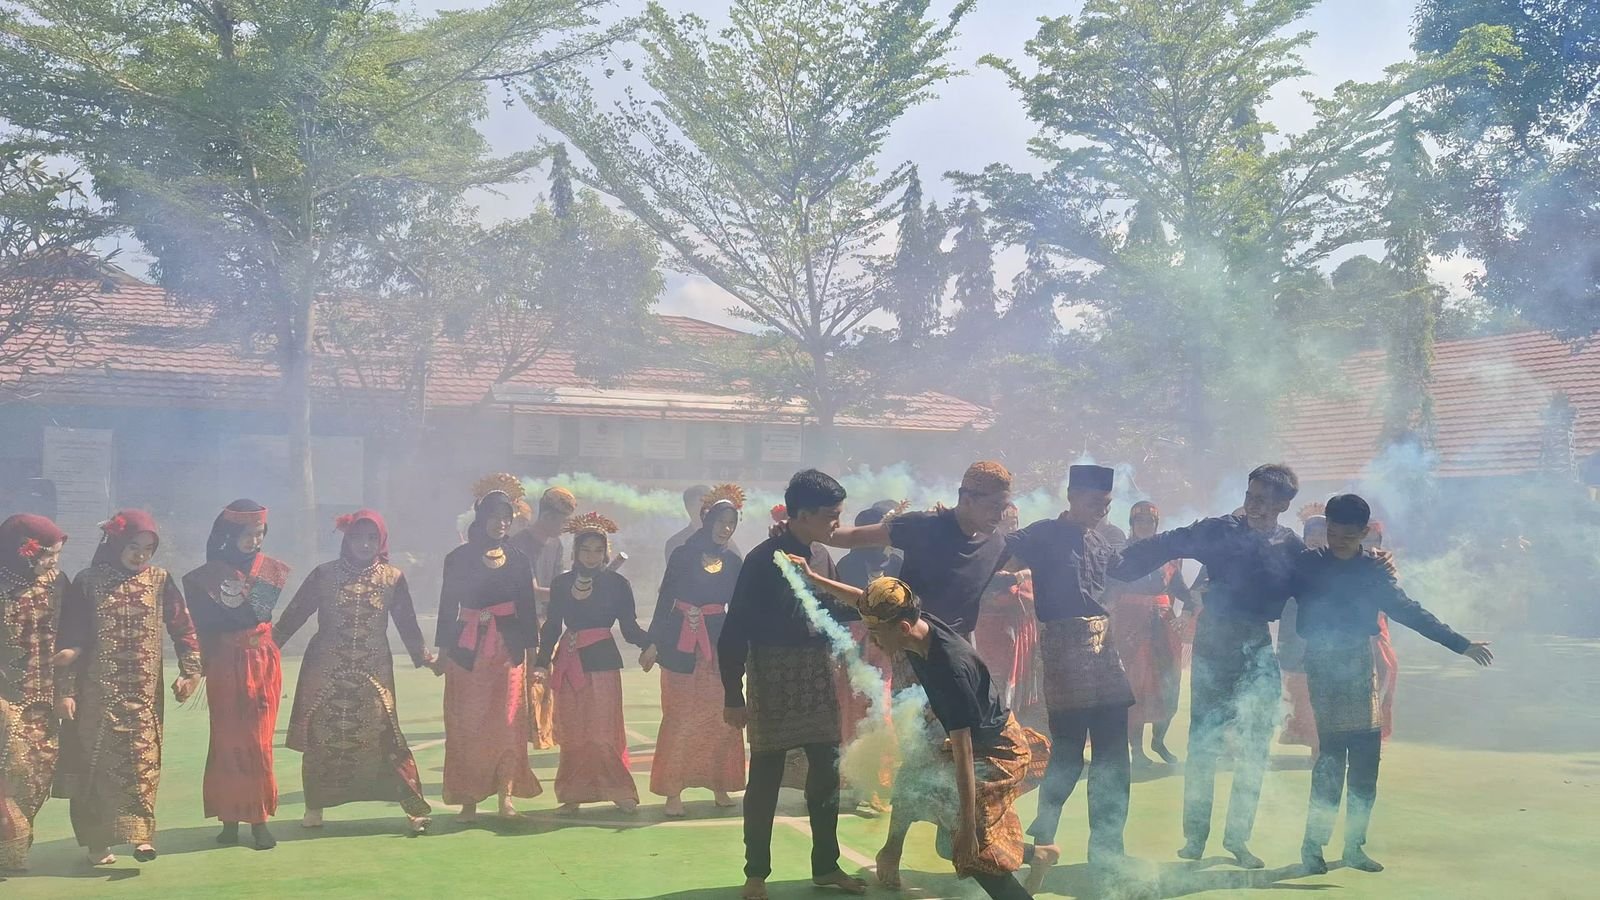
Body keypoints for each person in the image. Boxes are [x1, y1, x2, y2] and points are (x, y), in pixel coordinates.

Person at [793, 571, 1047, 900]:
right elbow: (860, 600)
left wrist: (968, 827)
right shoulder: (915, 623)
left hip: (997, 755)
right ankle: (1037, 855)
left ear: (901, 628)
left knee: (974, 853)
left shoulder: (949, 670)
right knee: (945, 840)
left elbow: (964, 754)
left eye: (876, 634)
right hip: (973, 744)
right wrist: (813, 577)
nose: (873, 641)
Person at [1110, 464, 1306, 868]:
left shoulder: (1290, 546)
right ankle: (1195, 837)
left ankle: (1238, 839)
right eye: (1250, 496)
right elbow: (1167, 543)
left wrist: (1369, 563)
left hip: (1257, 645)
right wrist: (1114, 564)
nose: (1253, 506)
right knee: (1204, 742)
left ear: (1284, 505)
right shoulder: (1219, 530)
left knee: (1254, 747)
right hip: (1214, 642)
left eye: (1264, 500)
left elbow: (1324, 581)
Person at [1292, 494, 1494, 875]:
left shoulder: (1373, 571)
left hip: (1359, 663)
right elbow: (1266, 579)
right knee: (1331, 760)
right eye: (1333, 533)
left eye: (1348, 536)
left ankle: (1354, 845)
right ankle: (1313, 845)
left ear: (1364, 533)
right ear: (1326, 528)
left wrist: (1460, 644)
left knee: (1366, 761)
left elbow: (1410, 612)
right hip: (1323, 665)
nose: (1338, 542)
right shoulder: (1306, 564)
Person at [720, 469, 865, 900]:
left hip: (817, 675)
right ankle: (756, 873)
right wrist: (733, 693)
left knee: (826, 775)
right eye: (831, 516)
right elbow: (734, 629)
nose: (837, 523)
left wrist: (877, 607)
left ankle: (826, 866)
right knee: (765, 778)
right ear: (802, 515)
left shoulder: (821, 556)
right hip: (772, 675)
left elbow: (833, 609)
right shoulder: (761, 560)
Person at [1003, 464, 1134, 886]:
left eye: (1107, 503)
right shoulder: (1041, 534)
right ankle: (1045, 837)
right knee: (1067, 752)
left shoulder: (1100, 540)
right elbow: (994, 552)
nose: (1102, 510)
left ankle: (1108, 851)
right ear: (1073, 496)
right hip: (1063, 652)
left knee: (1113, 755)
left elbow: (1125, 570)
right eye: (1096, 501)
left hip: (1105, 653)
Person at [273, 509, 436, 835]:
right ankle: (314, 808)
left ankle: (414, 810)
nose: (364, 544)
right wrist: (269, 647)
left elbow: (406, 622)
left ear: (381, 540)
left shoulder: (392, 578)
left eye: (371, 538)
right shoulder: (323, 575)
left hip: (373, 673)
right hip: (325, 671)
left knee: (389, 738)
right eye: (357, 537)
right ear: (346, 540)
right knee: (322, 738)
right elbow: (295, 614)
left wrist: (424, 657)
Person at [53, 511, 201, 865]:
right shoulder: (87, 582)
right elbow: (72, 638)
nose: (141, 555)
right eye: (134, 546)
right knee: (95, 768)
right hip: (95, 696)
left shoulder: (160, 580)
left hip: (145, 695)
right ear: (117, 542)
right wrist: (66, 691)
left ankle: (142, 837)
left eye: (148, 548)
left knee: (142, 762)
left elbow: (183, 628)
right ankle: (97, 845)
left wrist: (191, 671)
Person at [182, 500, 288, 851]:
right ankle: (228, 819)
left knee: (258, 741)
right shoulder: (201, 579)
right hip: (225, 663)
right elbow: (205, 628)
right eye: (248, 534)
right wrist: (195, 670)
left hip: (262, 663)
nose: (255, 541)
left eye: (260, 534)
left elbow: (254, 613)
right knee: (226, 741)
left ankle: (259, 821)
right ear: (229, 534)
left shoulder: (270, 570)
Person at [641, 484, 746, 818]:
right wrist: (652, 642)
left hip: (718, 647)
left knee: (720, 717)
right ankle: (673, 790)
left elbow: (740, 608)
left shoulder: (734, 561)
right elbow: (665, 600)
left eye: (731, 523)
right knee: (680, 717)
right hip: (679, 644)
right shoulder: (682, 554)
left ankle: (719, 783)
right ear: (707, 520)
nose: (725, 528)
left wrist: (746, 644)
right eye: (721, 521)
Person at [817, 462, 1013, 639]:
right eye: (994, 506)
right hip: (911, 644)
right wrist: (806, 527)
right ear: (967, 500)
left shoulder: (997, 544)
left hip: (960, 647)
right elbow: (853, 536)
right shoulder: (923, 526)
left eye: (1005, 507)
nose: (1001, 515)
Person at [533, 512, 648, 813]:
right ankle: (573, 794)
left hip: (602, 664)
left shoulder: (617, 584)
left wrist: (653, 643)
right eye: (585, 550)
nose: (591, 556)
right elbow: (552, 626)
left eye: (598, 550)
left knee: (602, 732)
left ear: (606, 552)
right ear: (575, 552)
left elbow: (630, 628)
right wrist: (541, 662)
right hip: (568, 662)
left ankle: (619, 790)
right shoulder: (561, 584)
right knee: (573, 732)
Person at [437, 489, 542, 820]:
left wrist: (535, 656)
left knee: (507, 723)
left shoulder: (519, 559)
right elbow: (447, 607)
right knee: (469, 723)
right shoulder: (457, 559)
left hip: (508, 652)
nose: (501, 523)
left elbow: (527, 609)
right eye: (495, 517)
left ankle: (505, 796)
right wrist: (442, 653)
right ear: (481, 519)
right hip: (467, 651)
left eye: (507, 518)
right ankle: (468, 798)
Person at [0, 515, 68, 872]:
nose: (53, 562)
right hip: (5, 699)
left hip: (44, 700)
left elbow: (74, 632)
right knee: (9, 773)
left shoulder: (58, 584)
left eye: (57, 554)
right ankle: (9, 852)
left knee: (38, 773)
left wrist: (72, 656)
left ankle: (16, 844)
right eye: (47, 554)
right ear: (22, 552)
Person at [1104, 501, 1191, 766]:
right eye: (1139, 521)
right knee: (1136, 688)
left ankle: (1159, 741)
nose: (1144, 526)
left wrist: (1186, 614)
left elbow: (1185, 593)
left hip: (1164, 628)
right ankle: (1137, 750)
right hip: (1130, 628)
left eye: (1149, 522)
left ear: (1156, 525)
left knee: (1168, 684)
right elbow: (1108, 591)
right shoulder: (1120, 555)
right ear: (1132, 524)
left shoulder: (1168, 557)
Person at [503, 481, 577, 751]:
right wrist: (573, 591)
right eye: (562, 521)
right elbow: (531, 591)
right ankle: (518, 735)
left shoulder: (556, 544)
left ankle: (543, 734)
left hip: (546, 621)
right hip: (522, 624)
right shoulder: (520, 544)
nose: (564, 527)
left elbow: (558, 583)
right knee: (526, 683)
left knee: (547, 680)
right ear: (546, 516)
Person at [974, 504, 1040, 723]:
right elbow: (984, 583)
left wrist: (1022, 578)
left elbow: (1034, 580)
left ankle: (1014, 723)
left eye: (1014, 522)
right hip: (991, 627)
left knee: (1018, 681)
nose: (1011, 527)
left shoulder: (1024, 548)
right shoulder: (984, 547)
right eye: (1006, 522)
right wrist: (1017, 579)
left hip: (1020, 625)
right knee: (993, 678)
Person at [1278, 511, 1326, 753]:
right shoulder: (1292, 564)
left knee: (1320, 695)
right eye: (1311, 533)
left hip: (1324, 643)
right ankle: (1311, 743)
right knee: (1299, 693)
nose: (1315, 538)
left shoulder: (1336, 565)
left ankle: (1319, 747)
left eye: (1321, 533)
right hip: (1294, 639)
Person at [665, 484, 741, 565]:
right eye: (701, 507)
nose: (706, 512)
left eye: (710, 507)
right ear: (688, 508)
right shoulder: (676, 542)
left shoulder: (727, 542)